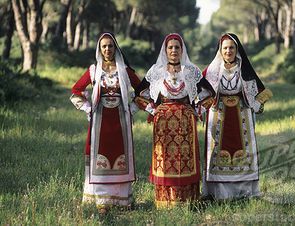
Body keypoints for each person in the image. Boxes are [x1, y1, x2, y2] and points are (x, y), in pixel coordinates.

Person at [134, 33, 215, 208]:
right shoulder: (156, 72)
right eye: (170, 47)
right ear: (165, 50)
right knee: (165, 160)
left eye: (177, 47)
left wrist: (196, 110)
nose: (173, 50)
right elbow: (139, 95)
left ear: (182, 50)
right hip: (163, 123)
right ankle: (165, 201)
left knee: (185, 159)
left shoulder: (191, 71)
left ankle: (188, 200)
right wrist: (153, 110)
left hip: (186, 122)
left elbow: (210, 94)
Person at [70, 32, 140, 213]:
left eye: (110, 46)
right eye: (104, 46)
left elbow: (143, 91)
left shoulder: (124, 70)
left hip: (121, 121)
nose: (107, 49)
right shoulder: (94, 70)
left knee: (120, 157)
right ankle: (101, 200)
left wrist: (132, 109)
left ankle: (121, 199)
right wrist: (88, 109)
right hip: (100, 121)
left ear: (116, 48)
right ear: (99, 50)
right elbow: (76, 90)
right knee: (101, 156)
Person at [202, 33, 272, 200]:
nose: (228, 51)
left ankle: (245, 192)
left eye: (231, 47)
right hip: (219, 116)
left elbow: (261, 93)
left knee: (243, 152)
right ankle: (219, 193)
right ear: (220, 50)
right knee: (218, 154)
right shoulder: (212, 70)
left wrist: (255, 103)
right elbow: (201, 92)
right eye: (225, 48)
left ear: (237, 49)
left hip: (242, 117)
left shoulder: (244, 69)